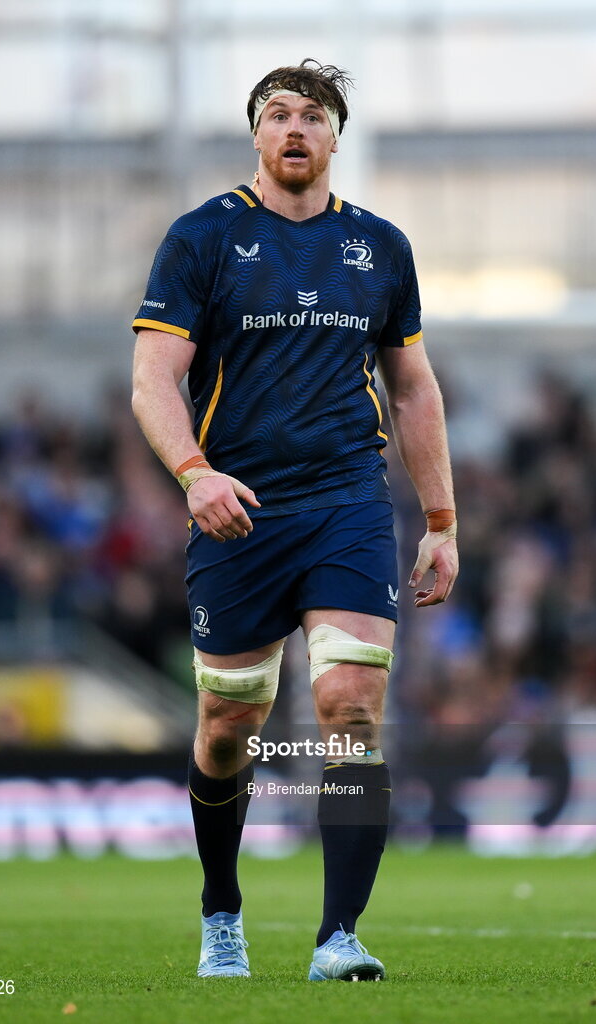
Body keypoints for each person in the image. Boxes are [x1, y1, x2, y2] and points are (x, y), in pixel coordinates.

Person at [131, 59, 458, 982]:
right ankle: (221, 912)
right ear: (256, 136)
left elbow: (412, 386)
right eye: (277, 114)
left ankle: (337, 937)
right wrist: (194, 476)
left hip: (348, 503)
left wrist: (440, 518)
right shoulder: (202, 237)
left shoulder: (380, 247)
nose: (294, 129)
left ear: (334, 138)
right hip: (238, 511)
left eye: (312, 116)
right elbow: (153, 380)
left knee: (350, 709)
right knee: (229, 724)